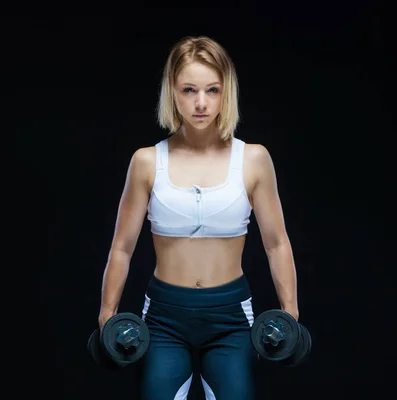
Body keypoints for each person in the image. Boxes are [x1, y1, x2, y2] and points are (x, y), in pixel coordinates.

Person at [98, 36, 299, 400]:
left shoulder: (253, 159)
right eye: (189, 90)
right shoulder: (146, 161)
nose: (201, 103)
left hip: (230, 318)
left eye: (212, 90)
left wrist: (291, 312)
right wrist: (106, 314)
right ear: (172, 92)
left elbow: (277, 243)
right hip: (163, 318)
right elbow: (122, 248)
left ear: (227, 93)